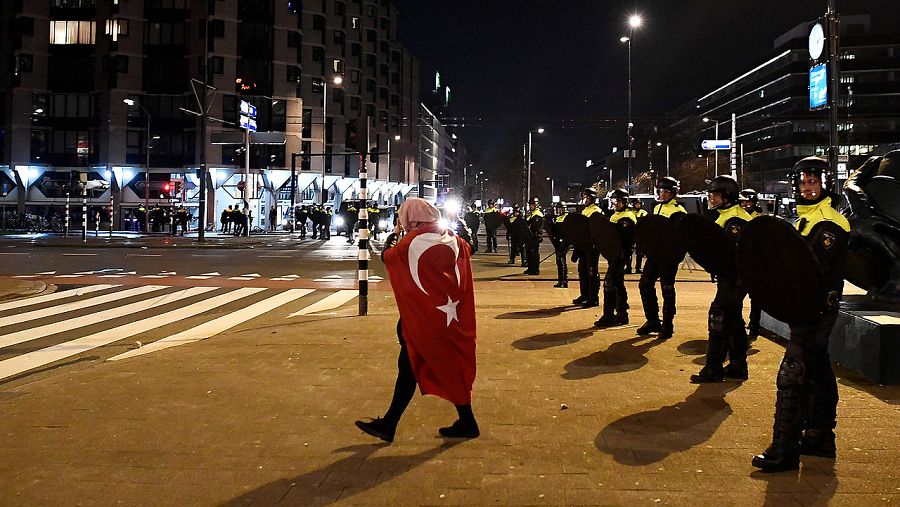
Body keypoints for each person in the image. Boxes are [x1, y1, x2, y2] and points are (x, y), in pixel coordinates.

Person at [752, 157, 850, 472]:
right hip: (805, 308)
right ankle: (820, 437)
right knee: (818, 370)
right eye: (803, 183)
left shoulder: (829, 221)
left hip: (815, 309)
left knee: (792, 374)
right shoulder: (805, 219)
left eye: (813, 182)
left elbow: (812, 270)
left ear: (825, 184)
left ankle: (784, 449)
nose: (808, 188)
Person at [355, 198, 479, 442]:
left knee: (411, 366)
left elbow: (387, 257)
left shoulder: (411, 241)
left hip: (425, 320)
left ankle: (390, 424)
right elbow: (469, 248)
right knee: (437, 366)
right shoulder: (451, 237)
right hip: (448, 317)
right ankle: (466, 421)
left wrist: (395, 234)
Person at [691, 175, 753, 383]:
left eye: (716, 195)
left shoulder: (736, 220)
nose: (712, 198)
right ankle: (738, 365)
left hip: (735, 278)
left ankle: (713, 368)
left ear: (727, 196)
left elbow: (730, 255)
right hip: (730, 277)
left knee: (718, 315)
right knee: (733, 319)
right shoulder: (724, 215)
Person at [637, 176, 687, 340]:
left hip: (668, 257)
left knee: (667, 289)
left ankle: (668, 325)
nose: (663, 194)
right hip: (654, 255)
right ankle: (652, 320)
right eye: (661, 191)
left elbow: (679, 238)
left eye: (666, 191)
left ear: (673, 192)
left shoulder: (678, 211)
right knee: (645, 284)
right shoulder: (657, 208)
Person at [594, 189, 636, 327]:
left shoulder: (628, 216)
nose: (615, 203)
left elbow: (622, 238)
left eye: (618, 200)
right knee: (617, 283)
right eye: (614, 200)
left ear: (624, 202)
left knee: (610, 283)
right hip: (614, 255)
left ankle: (609, 315)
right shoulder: (615, 215)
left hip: (621, 255)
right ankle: (622, 314)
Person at [740, 188, 764, 341]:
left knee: (756, 298)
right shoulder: (738, 217)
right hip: (742, 262)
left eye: (749, 202)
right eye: (744, 202)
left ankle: (754, 326)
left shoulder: (759, 218)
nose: (746, 205)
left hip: (757, 262)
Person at [573, 188, 601, 308]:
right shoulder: (585, 210)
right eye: (583, 197)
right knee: (582, 271)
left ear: (592, 198)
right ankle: (584, 294)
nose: (584, 199)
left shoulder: (596, 211)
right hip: (583, 246)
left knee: (591, 272)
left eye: (586, 197)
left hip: (592, 246)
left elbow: (596, 230)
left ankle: (593, 298)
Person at [549, 202, 569, 288]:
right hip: (558, 242)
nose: (559, 210)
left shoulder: (566, 218)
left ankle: (564, 281)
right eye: (558, 209)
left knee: (561, 261)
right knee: (559, 262)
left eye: (560, 209)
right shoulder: (557, 218)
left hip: (564, 243)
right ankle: (560, 280)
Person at [524, 198, 544, 275]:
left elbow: (537, 227)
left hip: (534, 237)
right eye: (530, 205)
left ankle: (535, 269)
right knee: (529, 253)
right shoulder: (530, 214)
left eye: (532, 205)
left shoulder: (538, 214)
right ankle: (530, 268)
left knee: (534, 254)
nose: (531, 206)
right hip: (529, 237)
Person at [629, 199, 648, 274]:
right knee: (629, 252)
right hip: (631, 234)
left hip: (640, 234)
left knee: (639, 253)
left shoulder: (643, 213)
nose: (638, 205)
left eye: (639, 204)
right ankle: (628, 268)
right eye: (636, 204)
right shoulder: (630, 213)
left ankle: (638, 267)